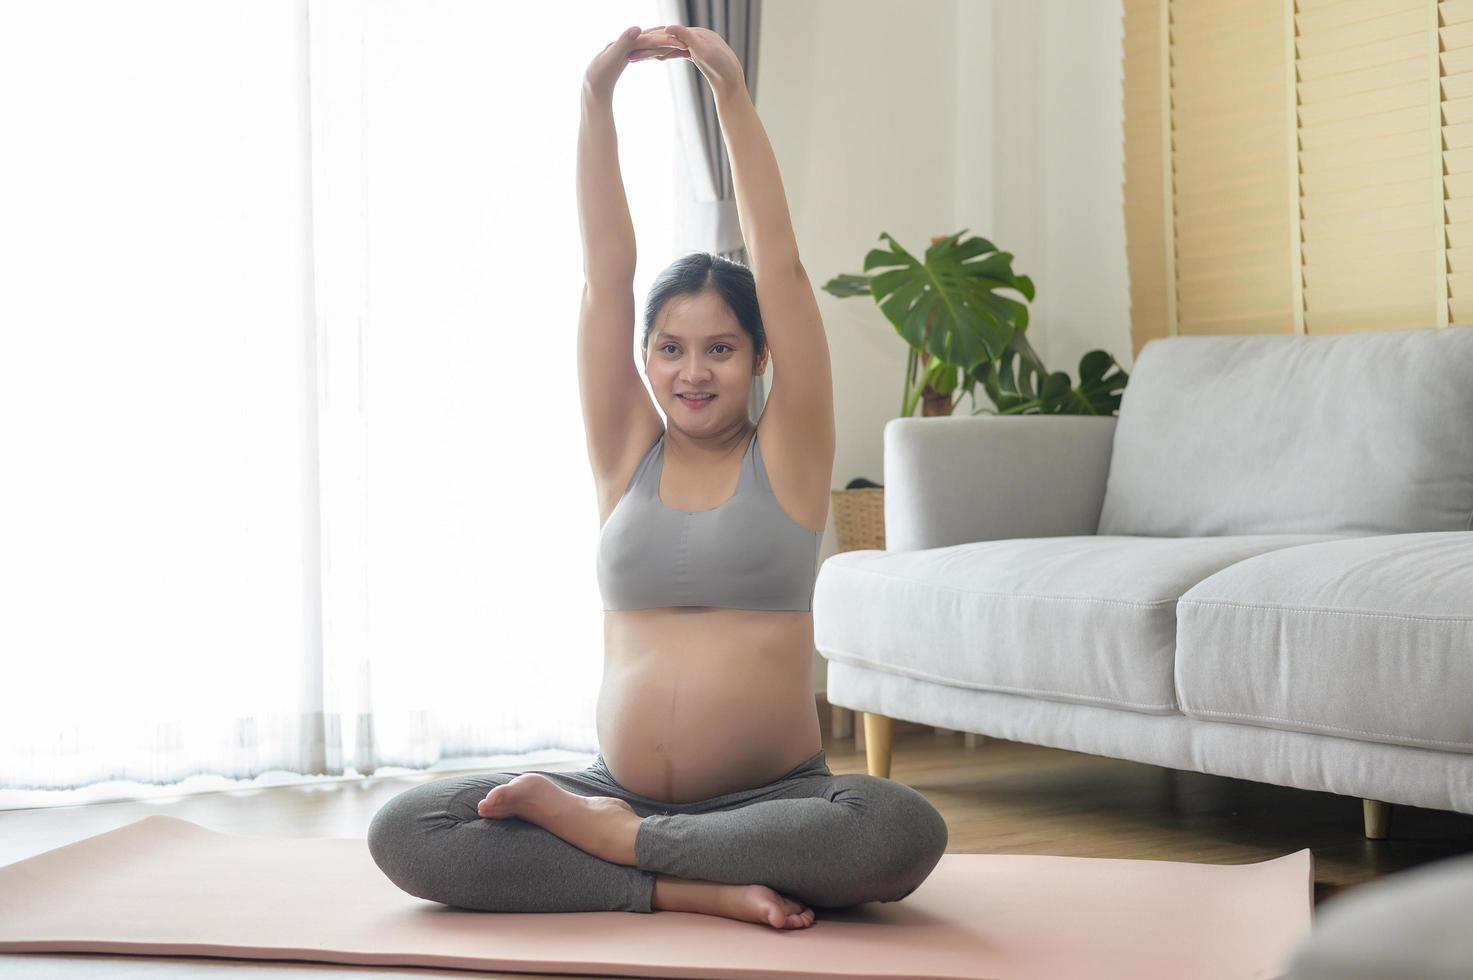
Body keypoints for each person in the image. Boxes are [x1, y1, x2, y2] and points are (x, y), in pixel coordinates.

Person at [367, 23, 948, 931]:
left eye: (720, 348)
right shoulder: (624, 454)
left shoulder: (787, 454)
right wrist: (595, 102)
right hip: (612, 788)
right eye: (671, 348)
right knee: (410, 828)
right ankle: (677, 881)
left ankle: (620, 854)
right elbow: (606, 274)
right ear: (644, 358)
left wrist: (730, 98)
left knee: (895, 831)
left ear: (759, 358)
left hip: (773, 803)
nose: (693, 371)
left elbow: (783, 267)